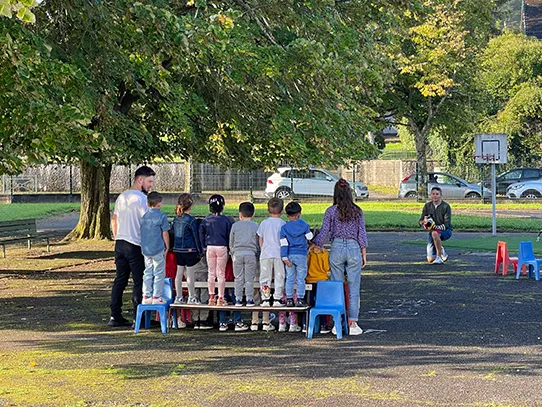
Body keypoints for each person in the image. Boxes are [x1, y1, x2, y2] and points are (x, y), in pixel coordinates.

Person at [312, 178, 367, 336]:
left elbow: (324, 232)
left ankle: (338, 323)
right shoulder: (357, 211)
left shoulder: (331, 211)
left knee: (337, 287)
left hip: (336, 247)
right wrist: (364, 253)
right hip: (354, 247)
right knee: (354, 288)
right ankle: (353, 322)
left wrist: (314, 244)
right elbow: (361, 233)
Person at [109, 165, 155, 327]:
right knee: (139, 281)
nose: (151, 186)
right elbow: (148, 223)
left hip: (120, 242)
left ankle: (115, 315)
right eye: (149, 181)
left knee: (120, 279)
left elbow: (114, 219)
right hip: (135, 244)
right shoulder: (142, 200)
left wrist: (117, 236)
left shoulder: (122, 197)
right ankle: (139, 316)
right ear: (140, 180)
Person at [199, 194, 232, 306]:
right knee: (221, 273)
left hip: (210, 247)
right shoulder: (227, 220)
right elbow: (229, 235)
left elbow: (201, 233)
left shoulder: (206, 220)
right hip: (222, 246)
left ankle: (211, 297)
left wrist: (203, 246)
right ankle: (221, 297)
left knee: (211, 273)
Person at [280, 201, 313, 308]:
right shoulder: (303, 225)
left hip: (289, 255)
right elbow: (309, 237)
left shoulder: (284, 228)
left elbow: (283, 244)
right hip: (301, 255)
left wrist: (284, 257)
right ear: (299, 214)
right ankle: (299, 298)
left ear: (287, 215)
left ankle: (289, 299)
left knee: (289, 277)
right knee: (300, 278)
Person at [172, 193, 204, 304]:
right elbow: (196, 236)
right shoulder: (191, 220)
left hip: (178, 250)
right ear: (190, 206)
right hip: (189, 250)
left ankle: (179, 297)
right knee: (190, 274)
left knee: (179, 273)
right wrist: (200, 251)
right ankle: (191, 297)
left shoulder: (176, 219)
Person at [140, 191, 170, 305]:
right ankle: (157, 296)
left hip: (146, 249)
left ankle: (146, 295)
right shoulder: (162, 216)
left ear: (147, 204)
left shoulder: (144, 217)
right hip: (158, 248)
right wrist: (167, 246)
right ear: (159, 204)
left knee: (147, 272)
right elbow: (165, 233)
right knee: (159, 272)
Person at [257, 198, 286, 308]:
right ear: (282, 211)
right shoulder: (283, 223)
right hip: (279, 254)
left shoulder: (264, 223)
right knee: (279, 276)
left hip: (266, 253)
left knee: (265, 276)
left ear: (267, 210)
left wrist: (262, 249)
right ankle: (277, 298)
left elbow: (260, 238)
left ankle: (265, 299)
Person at [230, 202, 259, 307]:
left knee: (238, 278)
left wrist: (232, 252)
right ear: (253, 214)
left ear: (240, 214)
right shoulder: (255, 226)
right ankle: (249, 299)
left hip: (237, 254)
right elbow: (257, 241)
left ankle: (238, 299)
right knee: (249, 278)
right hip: (251, 254)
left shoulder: (235, 226)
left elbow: (231, 242)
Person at [419, 186, 452, 264]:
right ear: (430, 195)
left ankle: (439, 257)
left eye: (437, 194)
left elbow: (447, 224)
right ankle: (440, 249)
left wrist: (435, 227)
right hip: (433, 231)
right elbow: (420, 221)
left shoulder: (446, 206)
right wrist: (424, 222)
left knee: (435, 233)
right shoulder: (427, 206)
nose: (435, 196)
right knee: (430, 260)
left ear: (441, 195)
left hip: (445, 231)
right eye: (433, 194)